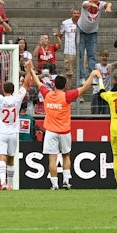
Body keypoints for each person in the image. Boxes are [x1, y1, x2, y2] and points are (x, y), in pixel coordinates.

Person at [26, 60, 99, 189]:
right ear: (65, 86)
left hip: (51, 132)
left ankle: (54, 185)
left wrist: (31, 69)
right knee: (66, 156)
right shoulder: (67, 96)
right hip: (64, 131)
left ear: (54, 84)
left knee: (52, 158)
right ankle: (66, 181)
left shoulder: (47, 94)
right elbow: (85, 88)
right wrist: (92, 74)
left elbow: (37, 82)